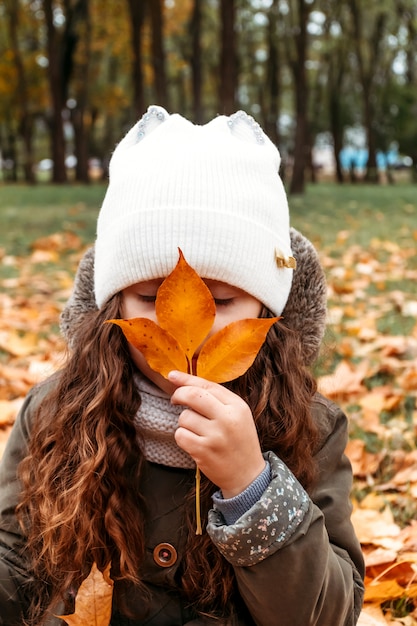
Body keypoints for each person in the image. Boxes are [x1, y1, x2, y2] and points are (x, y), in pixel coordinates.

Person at [0, 106, 364, 626]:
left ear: (266, 309)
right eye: (152, 297)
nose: (185, 328)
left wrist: (252, 486)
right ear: (114, 305)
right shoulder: (57, 411)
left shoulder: (309, 426)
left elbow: (329, 614)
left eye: (223, 301)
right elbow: (15, 561)